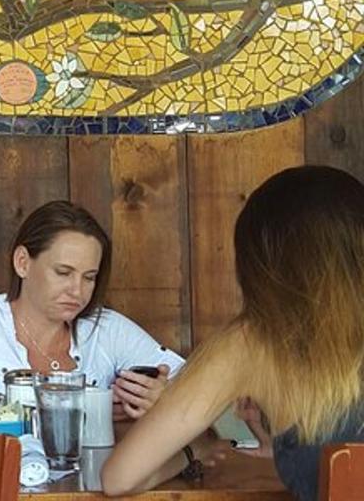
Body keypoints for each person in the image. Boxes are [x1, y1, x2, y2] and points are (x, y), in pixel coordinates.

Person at [102, 165, 364, 500]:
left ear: (259, 262)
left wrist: (198, 447)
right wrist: (287, 450)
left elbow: (119, 478)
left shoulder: (254, 340)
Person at [0, 200, 184, 420]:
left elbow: (197, 387)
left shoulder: (105, 327)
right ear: (22, 263)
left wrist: (162, 397)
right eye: (63, 272)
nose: (77, 290)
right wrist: (83, 406)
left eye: (89, 277)